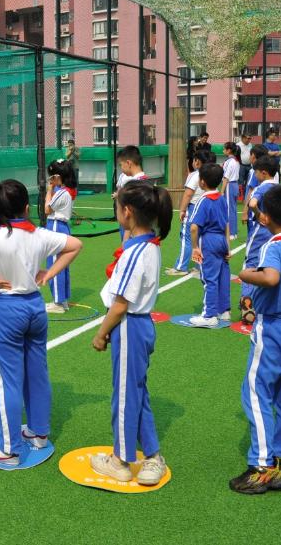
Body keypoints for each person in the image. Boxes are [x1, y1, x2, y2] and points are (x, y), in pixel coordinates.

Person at [0, 180, 82, 465]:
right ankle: (39, 433)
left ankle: (8, 450)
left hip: (5, 309)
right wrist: (48, 274)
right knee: (37, 372)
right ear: (26, 208)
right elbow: (75, 245)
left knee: (8, 379)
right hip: (35, 308)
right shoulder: (39, 234)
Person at [90, 181, 174, 486]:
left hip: (130, 326)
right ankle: (152, 454)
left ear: (127, 212)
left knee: (124, 396)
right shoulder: (148, 244)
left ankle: (120, 460)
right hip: (140, 325)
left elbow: (120, 305)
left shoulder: (136, 253)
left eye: (118, 207)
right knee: (136, 391)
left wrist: (101, 334)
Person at [232, 185, 281, 494]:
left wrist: (245, 274)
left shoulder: (273, 246)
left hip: (274, 328)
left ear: (264, 218)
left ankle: (262, 466)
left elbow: (270, 277)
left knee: (256, 393)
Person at [239, 156, 280, 325]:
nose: (254, 175)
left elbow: (252, 203)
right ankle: (266, 303)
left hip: (260, 232)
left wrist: (258, 214)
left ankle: (247, 303)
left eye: (255, 172)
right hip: (276, 232)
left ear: (263, 173)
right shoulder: (279, 187)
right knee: (270, 266)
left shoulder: (261, 188)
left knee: (251, 264)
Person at [189, 163, 231, 327]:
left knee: (209, 278)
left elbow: (194, 227)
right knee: (222, 277)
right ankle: (224, 311)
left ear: (202, 182)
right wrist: (228, 247)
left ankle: (209, 315)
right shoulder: (222, 199)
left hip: (209, 240)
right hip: (221, 239)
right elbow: (226, 224)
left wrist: (195, 247)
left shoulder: (203, 200)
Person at [167, 149, 213, 276]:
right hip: (206, 207)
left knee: (186, 237)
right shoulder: (210, 174)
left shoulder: (195, 175)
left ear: (197, 161)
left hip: (193, 207)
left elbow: (188, 194)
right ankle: (199, 265)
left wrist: (182, 210)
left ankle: (181, 267)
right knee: (199, 237)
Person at [44, 159, 77, 314]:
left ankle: (58, 302)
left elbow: (47, 209)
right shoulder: (67, 191)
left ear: (58, 176)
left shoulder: (62, 192)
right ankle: (62, 300)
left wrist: (49, 190)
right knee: (62, 264)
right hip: (62, 226)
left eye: (53, 176)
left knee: (55, 264)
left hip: (56, 226)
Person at [114, 145, 149, 239]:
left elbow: (131, 216)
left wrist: (125, 242)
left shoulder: (133, 185)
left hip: (134, 234)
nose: (121, 168)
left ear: (128, 163)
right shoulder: (147, 182)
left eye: (121, 165)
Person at [223, 142, 242, 240]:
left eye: (224, 149)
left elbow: (226, 177)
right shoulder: (236, 161)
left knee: (229, 210)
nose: (223, 150)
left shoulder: (229, 162)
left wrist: (222, 191)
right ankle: (234, 232)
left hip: (229, 185)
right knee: (233, 209)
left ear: (229, 150)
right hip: (235, 185)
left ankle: (231, 233)